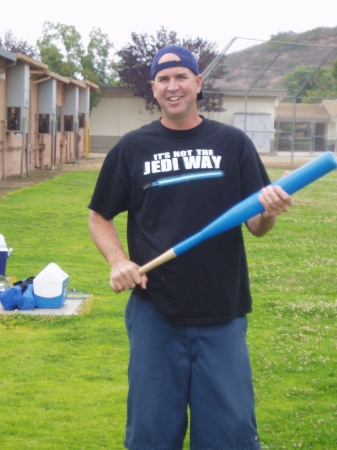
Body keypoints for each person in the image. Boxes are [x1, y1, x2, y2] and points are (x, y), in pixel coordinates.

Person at [88, 45, 293, 450]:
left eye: (181, 76)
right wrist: (118, 261)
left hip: (223, 311)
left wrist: (269, 212)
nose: (173, 85)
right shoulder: (132, 147)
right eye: (163, 79)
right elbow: (99, 215)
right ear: (153, 88)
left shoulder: (232, 143)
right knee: (150, 435)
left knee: (229, 435)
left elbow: (256, 224)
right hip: (154, 312)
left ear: (198, 83)